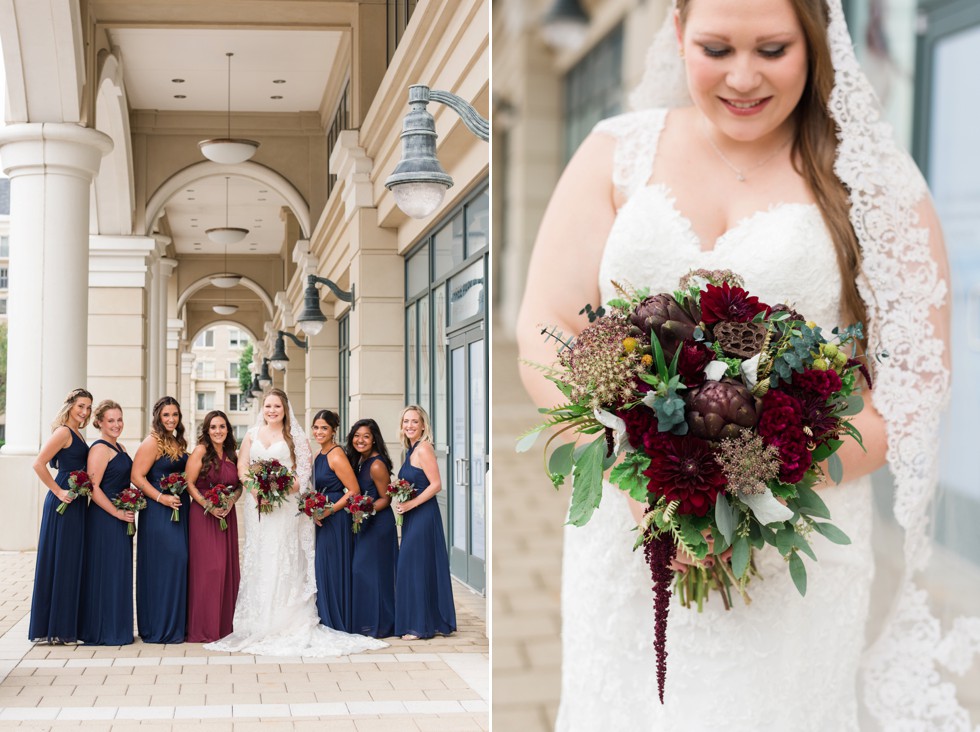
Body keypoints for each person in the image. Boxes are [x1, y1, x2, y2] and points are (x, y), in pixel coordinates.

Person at [516, 0, 954, 729]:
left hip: (795, 543)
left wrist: (755, 488)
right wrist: (636, 476)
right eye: (716, 48)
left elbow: (917, 382)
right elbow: (547, 324)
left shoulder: (874, 179)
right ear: (679, 32)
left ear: (814, 41)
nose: (743, 77)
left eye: (773, 49)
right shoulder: (614, 151)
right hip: (630, 536)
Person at [204, 389, 386, 656]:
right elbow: (243, 466)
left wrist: (277, 489)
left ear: (285, 409)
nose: (272, 410)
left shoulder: (296, 438)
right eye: (268, 406)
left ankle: (286, 617)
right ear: (262, 408)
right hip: (258, 507)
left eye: (277, 406)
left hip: (285, 505)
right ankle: (258, 619)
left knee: (283, 556)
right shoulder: (252, 435)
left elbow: (303, 474)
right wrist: (255, 489)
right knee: (261, 556)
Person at [28, 388, 93, 643]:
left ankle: (62, 627)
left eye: (88, 407)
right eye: (80, 406)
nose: (84, 412)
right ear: (70, 406)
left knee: (70, 563)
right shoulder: (64, 432)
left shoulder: (77, 433)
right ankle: (55, 629)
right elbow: (38, 463)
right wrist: (58, 490)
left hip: (76, 502)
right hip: (63, 504)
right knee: (61, 562)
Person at [393, 406, 456, 640]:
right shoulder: (410, 450)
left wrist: (411, 504)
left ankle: (419, 626)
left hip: (423, 514)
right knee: (417, 566)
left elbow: (436, 484)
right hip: (413, 515)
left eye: (414, 421)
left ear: (423, 425)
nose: (409, 425)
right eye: (406, 421)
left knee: (413, 566)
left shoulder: (424, 448)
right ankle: (429, 620)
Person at [131, 396, 190, 644]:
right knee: (167, 562)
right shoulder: (152, 442)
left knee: (178, 563)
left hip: (179, 511)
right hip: (158, 512)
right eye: (166, 415)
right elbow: (136, 476)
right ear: (158, 416)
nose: (171, 419)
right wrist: (161, 498)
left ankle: (175, 624)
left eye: (174, 414)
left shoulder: (177, 441)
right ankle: (158, 626)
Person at [78, 400, 136, 645]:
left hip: (122, 517)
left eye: (119, 419)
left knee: (119, 572)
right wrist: (117, 513)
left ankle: (118, 628)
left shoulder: (120, 447)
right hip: (105, 519)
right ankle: (103, 631)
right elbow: (93, 488)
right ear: (99, 422)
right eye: (111, 420)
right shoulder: (99, 449)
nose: (116, 424)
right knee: (106, 572)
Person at [184, 410, 241, 643]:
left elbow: (239, 486)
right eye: (213, 427)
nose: (218, 431)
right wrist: (208, 504)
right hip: (203, 515)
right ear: (207, 431)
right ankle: (204, 627)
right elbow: (189, 483)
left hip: (227, 515)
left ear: (228, 429)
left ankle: (224, 627)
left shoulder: (232, 454)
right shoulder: (200, 451)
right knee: (209, 570)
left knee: (227, 569)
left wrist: (231, 500)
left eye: (222, 426)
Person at [310, 410, 360, 632]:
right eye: (316, 427)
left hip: (336, 518)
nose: (319, 432)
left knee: (331, 568)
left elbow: (354, 490)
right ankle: (326, 616)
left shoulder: (335, 454)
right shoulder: (319, 453)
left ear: (333, 431)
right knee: (323, 568)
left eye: (324, 428)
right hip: (323, 516)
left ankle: (337, 620)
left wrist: (329, 511)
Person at [346, 418, 397, 638]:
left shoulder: (376, 464)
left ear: (374, 438)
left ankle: (381, 625)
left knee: (370, 573)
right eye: (357, 435)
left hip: (379, 525)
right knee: (365, 573)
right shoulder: (359, 460)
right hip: (365, 524)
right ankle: (367, 622)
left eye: (366, 436)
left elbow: (386, 499)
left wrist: (364, 510)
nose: (361, 440)